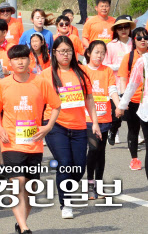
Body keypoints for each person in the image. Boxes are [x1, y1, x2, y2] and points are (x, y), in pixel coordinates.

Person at [0, 45, 62, 234]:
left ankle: (20, 222)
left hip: (34, 143)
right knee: (18, 181)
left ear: (29, 59)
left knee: (30, 189)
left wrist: (48, 127)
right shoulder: (3, 85)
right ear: (10, 62)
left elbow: (56, 105)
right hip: (11, 143)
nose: (20, 62)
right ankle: (24, 228)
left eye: (23, 58)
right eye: (16, 59)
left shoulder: (41, 82)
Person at [43, 36, 101, 219]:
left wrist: (95, 123)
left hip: (78, 126)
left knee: (79, 167)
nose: (65, 54)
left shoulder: (82, 72)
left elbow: (89, 98)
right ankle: (65, 203)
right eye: (62, 51)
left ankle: (64, 185)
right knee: (65, 164)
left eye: (69, 51)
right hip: (55, 125)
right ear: (54, 53)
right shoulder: (46, 74)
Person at [83, 40, 120, 199]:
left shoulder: (107, 71)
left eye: (103, 53)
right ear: (89, 53)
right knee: (92, 149)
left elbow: (112, 89)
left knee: (100, 151)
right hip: (87, 118)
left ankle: (98, 184)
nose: (100, 56)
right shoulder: (82, 70)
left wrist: (118, 105)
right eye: (96, 52)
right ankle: (90, 184)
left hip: (104, 117)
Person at [116, 26, 148, 170]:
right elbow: (124, 80)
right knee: (133, 130)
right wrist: (124, 100)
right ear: (134, 40)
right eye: (139, 38)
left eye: (145, 38)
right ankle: (134, 158)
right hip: (133, 101)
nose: (143, 40)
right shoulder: (129, 57)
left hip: (145, 102)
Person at [104, 15, 135, 145]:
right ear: (116, 30)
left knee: (133, 115)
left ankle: (133, 140)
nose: (123, 30)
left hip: (133, 85)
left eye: (126, 27)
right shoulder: (111, 46)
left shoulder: (135, 43)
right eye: (120, 27)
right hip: (116, 85)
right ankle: (113, 130)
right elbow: (105, 65)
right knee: (117, 114)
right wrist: (121, 65)